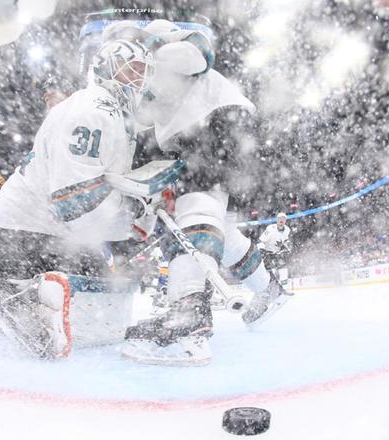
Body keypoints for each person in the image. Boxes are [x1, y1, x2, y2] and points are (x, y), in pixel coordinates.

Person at [101, 20, 292, 366]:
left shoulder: (170, 51)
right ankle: (268, 289)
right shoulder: (148, 90)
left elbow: (197, 55)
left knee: (197, 208)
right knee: (217, 225)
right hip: (199, 135)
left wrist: (153, 51)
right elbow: (140, 116)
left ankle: (188, 315)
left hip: (216, 123)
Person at [0, 38, 158, 357]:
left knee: (105, 303)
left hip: (51, 232)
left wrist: (135, 212)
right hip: (23, 231)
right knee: (60, 317)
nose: (139, 81)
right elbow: (73, 201)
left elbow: (102, 189)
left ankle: (12, 292)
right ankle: (8, 294)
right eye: (132, 71)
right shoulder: (91, 111)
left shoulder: (114, 113)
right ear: (107, 68)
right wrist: (129, 220)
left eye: (143, 73)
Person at [258, 212, 293, 285]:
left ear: (285, 221)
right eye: (280, 219)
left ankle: (284, 284)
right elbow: (261, 240)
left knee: (282, 266)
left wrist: (287, 247)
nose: (281, 222)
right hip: (267, 252)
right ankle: (268, 284)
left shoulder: (287, 230)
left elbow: (286, 241)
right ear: (276, 220)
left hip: (277, 252)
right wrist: (262, 252)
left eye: (283, 220)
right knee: (271, 270)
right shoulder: (270, 228)